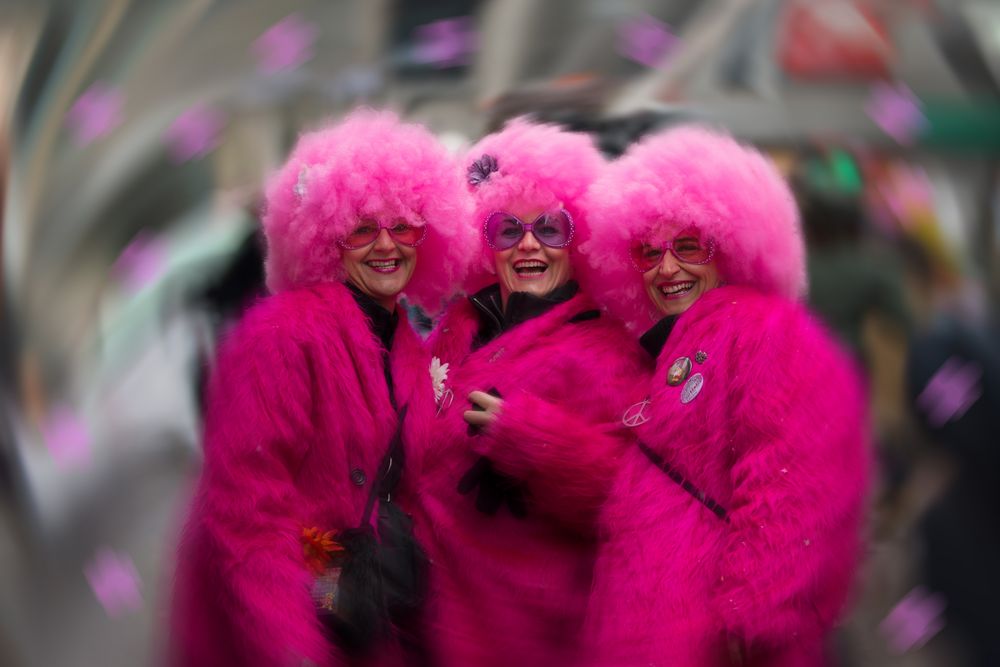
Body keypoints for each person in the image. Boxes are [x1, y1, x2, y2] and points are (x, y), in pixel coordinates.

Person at [170, 110, 473, 667]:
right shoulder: (280, 335)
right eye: (362, 228)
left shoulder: (406, 335)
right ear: (329, 236)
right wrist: (292, 650)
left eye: (402, 225)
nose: (386, 245)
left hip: (362, 613)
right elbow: (246, 518)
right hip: (285, 624)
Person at [578, 126, 870, 666]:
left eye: (689, 246)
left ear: (731, 244)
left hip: (711, 643)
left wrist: (757, 617)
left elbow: (789, 477)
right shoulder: (669, 345)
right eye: (649, 251)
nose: (667, 268)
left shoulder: (765, 331)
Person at [401, 119, 647, 667]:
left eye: (551, 229)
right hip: (428, 623)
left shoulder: (607, 352)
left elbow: (635, 500)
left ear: (579, 237)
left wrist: (535, 441)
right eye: (507, 230)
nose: (529, 244)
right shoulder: (459, 326)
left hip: (526, 636)